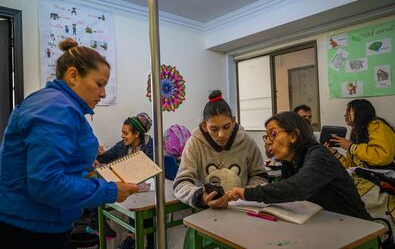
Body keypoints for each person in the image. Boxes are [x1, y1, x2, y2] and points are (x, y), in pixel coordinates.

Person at [0, 38, 139, 248]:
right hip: (31, 229)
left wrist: (83, 168)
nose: (103, 94)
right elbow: (46, 183)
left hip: (39, 222)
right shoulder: (56, 108)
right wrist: (110, 191)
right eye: (99, 84)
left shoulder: (56, 104)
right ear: (73, 76)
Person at [227, 111, 371, 220]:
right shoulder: (290, 161)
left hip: (355, 226)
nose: (268, 141)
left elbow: (296, 188)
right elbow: (287, 194)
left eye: (273, 134)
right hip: (322, 224)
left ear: (293, 136)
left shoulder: (319, 155)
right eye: (267, 136)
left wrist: (246, 193)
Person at [173, 90, 268, 209]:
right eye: (214, 129)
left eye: (226, 127)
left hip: (242, 210)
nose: (221, 134)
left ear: (233, 121)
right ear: (204, 126)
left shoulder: (247, 143)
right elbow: (181, 183)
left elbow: (260, 177)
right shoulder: (194, 143)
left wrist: (247, 194)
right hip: (207, 212)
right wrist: (201, 197)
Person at [96, 113, 154, 249]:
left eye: (125, 133)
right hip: (131, 192)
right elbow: (106, 157)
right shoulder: (122, 145)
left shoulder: (150, 146)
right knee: (130, 202)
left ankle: (146, 240)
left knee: (145, 217)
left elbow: (151, 171)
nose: (122, 136)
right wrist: (99, 155)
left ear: (137, 134)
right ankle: (131, 237)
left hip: (148, 193)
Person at [325, 99, 395, 179]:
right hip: (380, 179)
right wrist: (336, 154)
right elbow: (354, 167)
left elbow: (382, 156)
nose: (345, 115)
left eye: (349, 110)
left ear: (361, 112)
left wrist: (351, 147)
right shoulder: (356, 133)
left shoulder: (377, 125)